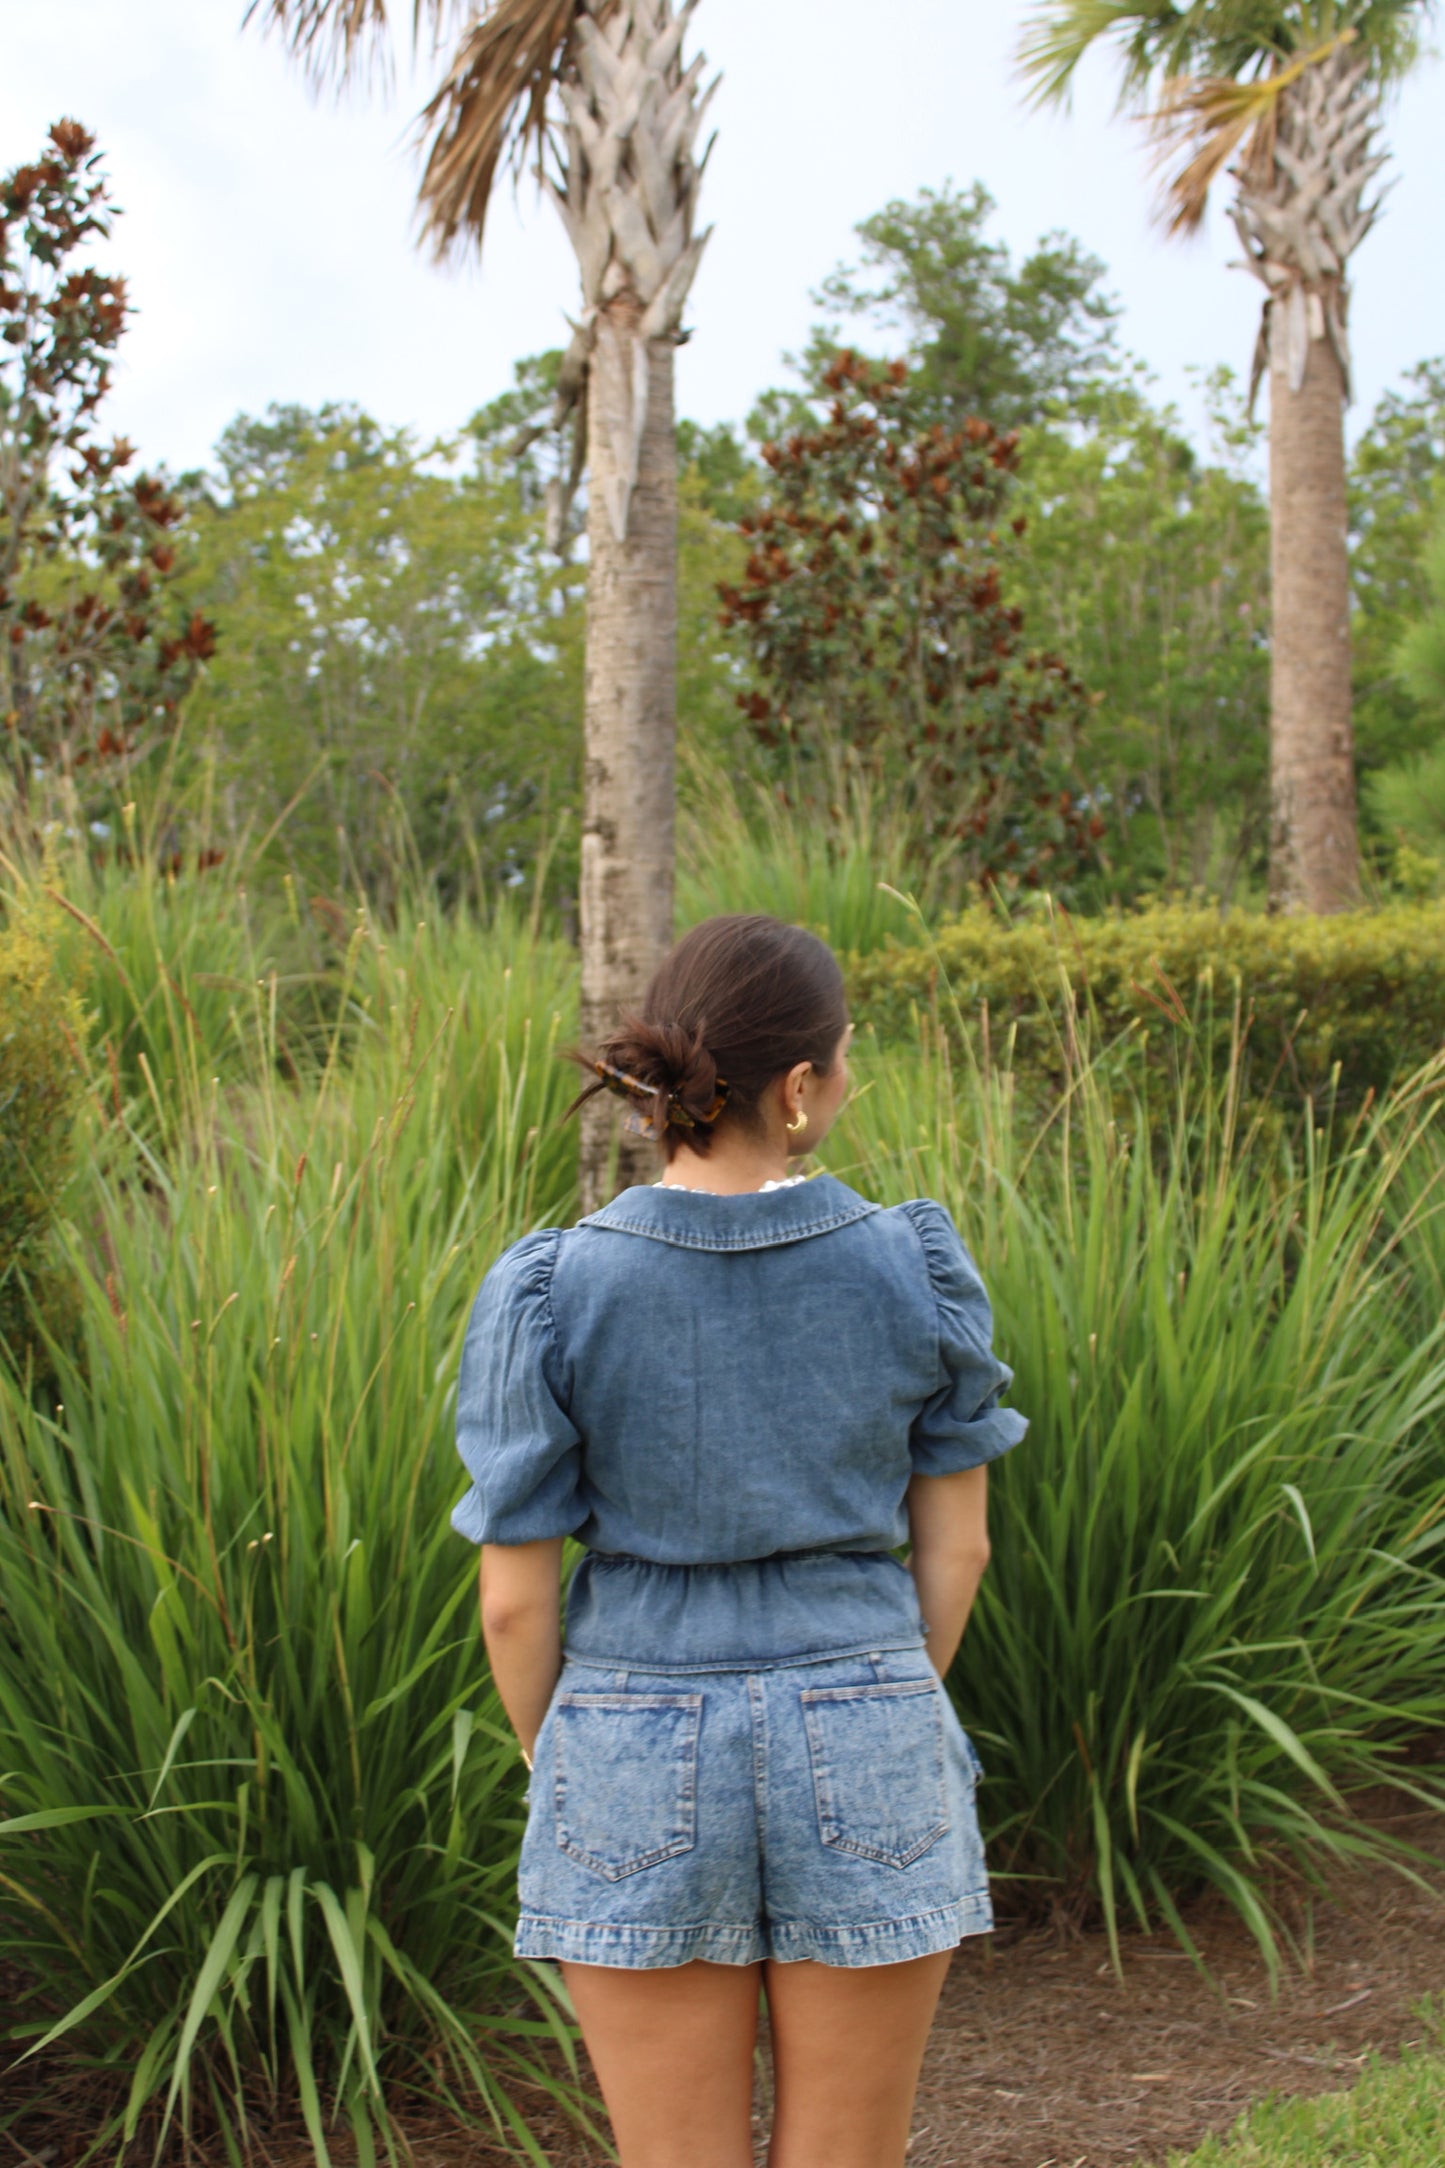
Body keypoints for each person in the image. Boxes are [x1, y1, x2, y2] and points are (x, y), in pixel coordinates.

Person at [451, 914, 1027, 2168]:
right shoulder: (912, 1261)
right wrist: (873, 1687)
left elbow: (512, 1602)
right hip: (867, 1697)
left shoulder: (552, 1285)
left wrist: (573, 1751)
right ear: (802, 1086)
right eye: (846, 1060)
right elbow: (960, 1548)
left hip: (625, 1724)